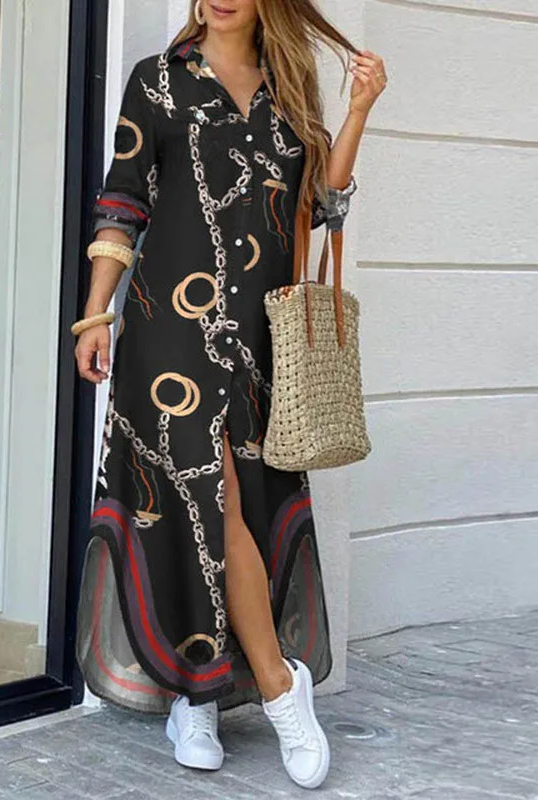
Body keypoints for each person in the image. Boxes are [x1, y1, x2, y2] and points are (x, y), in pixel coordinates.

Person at [73, 0, 386, 790]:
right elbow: (122, 202)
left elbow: (321, 207)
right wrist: (96, 313)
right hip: (166, 336)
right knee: (205, 501)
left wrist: (358, 110)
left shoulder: (290, 89)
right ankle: (279, 691)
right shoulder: (158, 81)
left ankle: (198, 695)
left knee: (226, 508)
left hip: (258, 341)